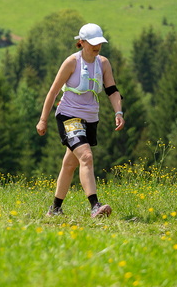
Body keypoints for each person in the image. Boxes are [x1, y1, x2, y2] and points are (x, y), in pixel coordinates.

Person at [36, 23, 125, 218]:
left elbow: (112, 90)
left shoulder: (103, 63)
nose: (97, 46)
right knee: (86, 157)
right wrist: (43, 120)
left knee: (70, 164)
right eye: (92, 43)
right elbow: (53, 91)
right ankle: (95, 207)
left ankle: (55, 209)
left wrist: (118, 112)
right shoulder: (72, 62)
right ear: (82, 42)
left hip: (91, 119)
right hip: (69, 115)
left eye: (99, 43)